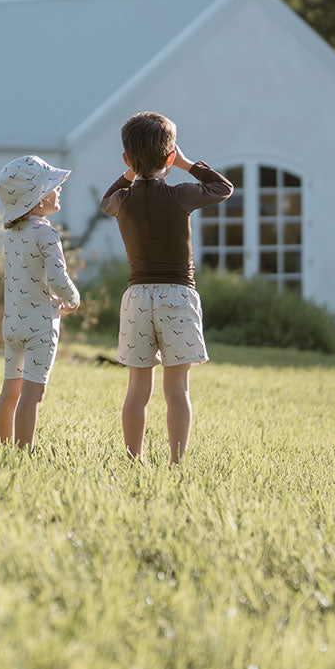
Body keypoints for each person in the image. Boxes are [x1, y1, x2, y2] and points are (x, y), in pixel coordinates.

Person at [100, 112, 233, 465]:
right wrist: (188, 165)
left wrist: (130, 173)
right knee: (177, 389)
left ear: (127, 160)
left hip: (137, 298)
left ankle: (133, 458)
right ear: (170, 157)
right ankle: (176, 462)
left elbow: (106, 199)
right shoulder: (181, 194)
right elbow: (223, 188)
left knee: (137, 389)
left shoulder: (122, 201)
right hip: (178, 294)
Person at [0, 155, 81, 450]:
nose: (59, 190)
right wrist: (72, 297)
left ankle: (2, 446)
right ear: (38, 199)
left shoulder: (12, 234)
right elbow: (57, 277)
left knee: (10, 391)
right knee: (32, 394)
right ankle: (22, 452)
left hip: (13, 324)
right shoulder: (46, 233)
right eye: (53, 187)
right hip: (40, 327)